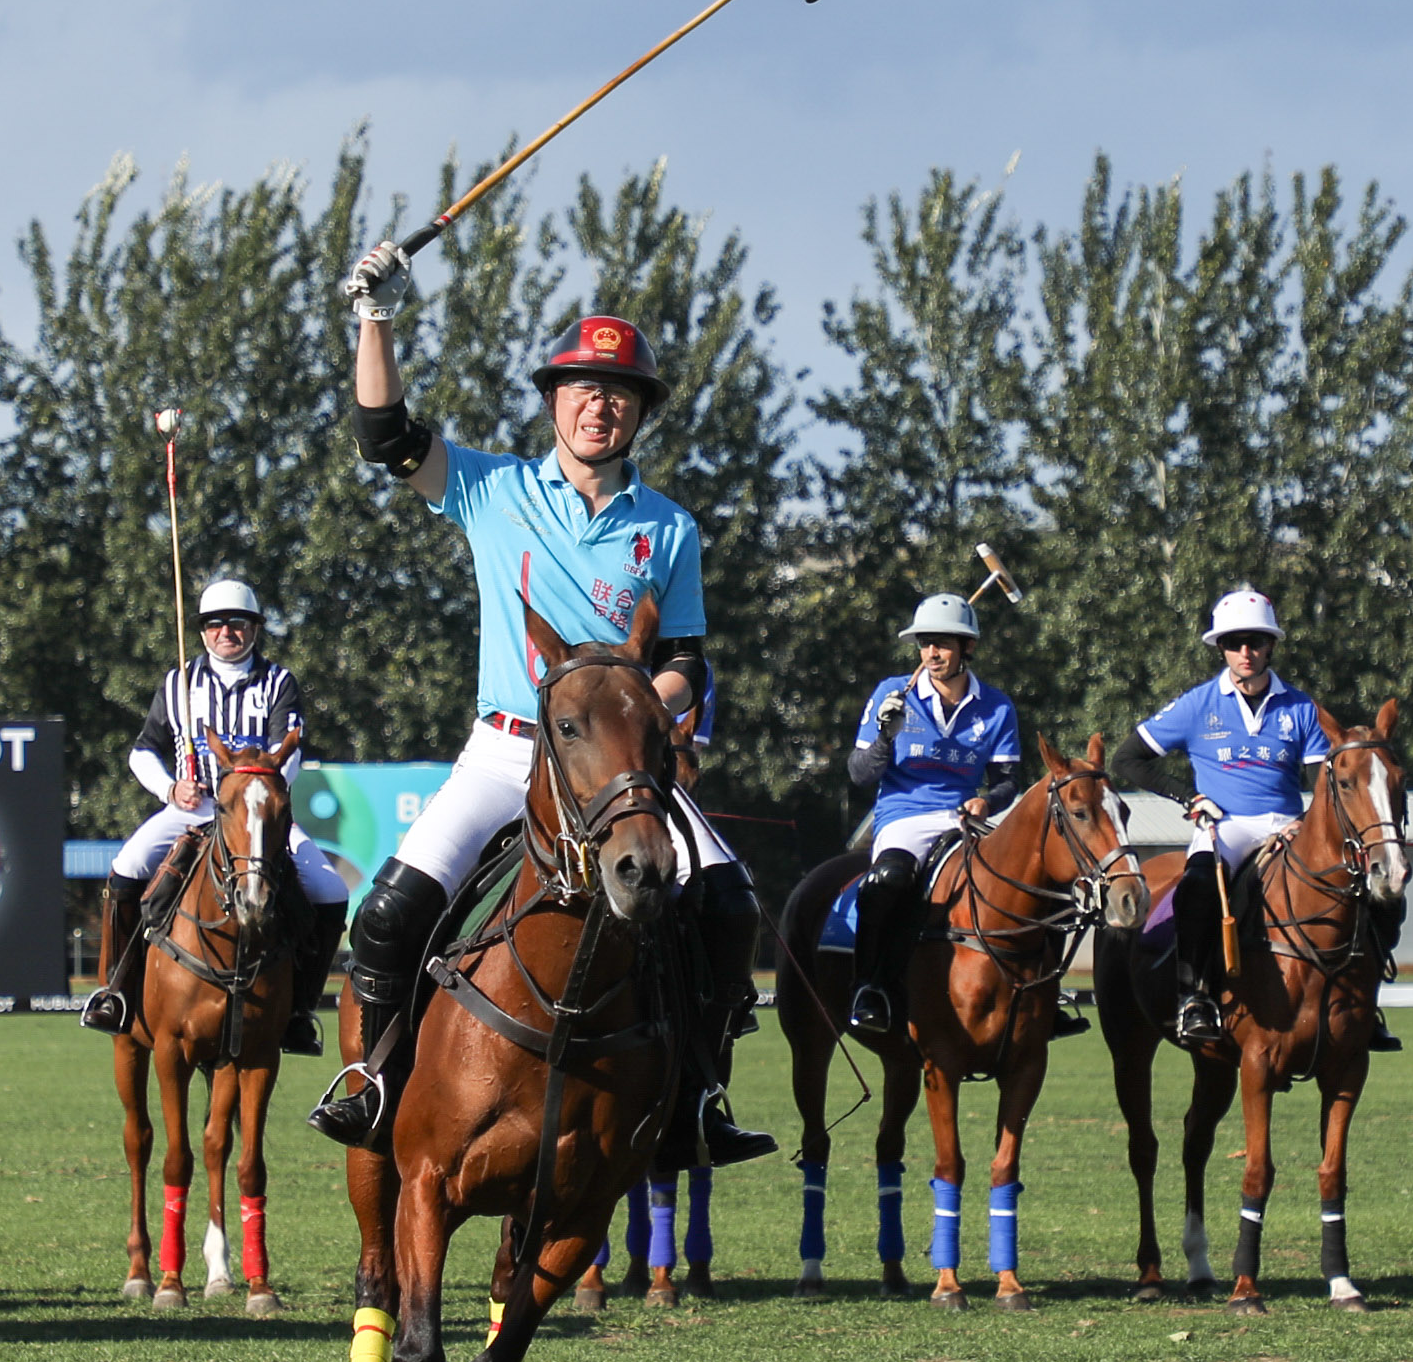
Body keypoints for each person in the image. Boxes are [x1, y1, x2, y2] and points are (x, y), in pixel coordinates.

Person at [303, 256, 770, 1167]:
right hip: (506, 753)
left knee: (727, 906)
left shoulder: (667, 527)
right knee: (389, 918)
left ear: (640, 412)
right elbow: (382, 432)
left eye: (620, 394)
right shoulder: (492, 490)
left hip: (618, 770)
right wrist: (377, 319)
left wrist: (652, 711)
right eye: (584, 390)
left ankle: (698, 1099)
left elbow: (685, 664)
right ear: (555, 400)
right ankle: (373, 1082)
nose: (602, 407)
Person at [81, 577, 360, 1051]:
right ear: (202, 631)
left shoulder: (278, 681)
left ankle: (298, 1009)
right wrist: (171, 787)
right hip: (193, 810)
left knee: (331, 891)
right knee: (126, 867)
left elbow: (286, 753)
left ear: (254, 629)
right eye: (214, 623)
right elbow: (142, 752)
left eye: (237, 622)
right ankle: (116, 991)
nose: (225, 631)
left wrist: (255, 787)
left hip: (255, 817)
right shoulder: (178, 683)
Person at [1117, 588, 1400, 1053]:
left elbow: (1323, 784)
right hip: (1223, 825)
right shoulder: (1197, 704)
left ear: (1271, 645)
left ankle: (1365, 1003)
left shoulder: (1302, 708)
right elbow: (1129, 758)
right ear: (1220, 648)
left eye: (1255, 641)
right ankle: (1195, 997)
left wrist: (1305, 822)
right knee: (1197, 889)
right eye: (1233, 643)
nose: (1245, 653)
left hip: (1287, 826)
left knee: (1370, 892)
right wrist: (1187, 796)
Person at [838, 592, 1025, 1033]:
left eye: (942, 643)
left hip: (965, 819)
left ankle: (1039, 994)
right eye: (925, 643)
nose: (931, 653)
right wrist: (886, 735)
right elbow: (860, 774)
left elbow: (1008, 781)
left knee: (1026, 879)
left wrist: (988, 800)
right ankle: (870, 987)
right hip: (903, 817)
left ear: (968, 649)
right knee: (889, 880)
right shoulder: (892, 693)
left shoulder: (996, 706)